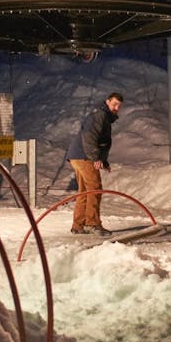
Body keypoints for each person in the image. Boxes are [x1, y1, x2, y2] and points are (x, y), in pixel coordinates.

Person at [66, 92, 123, 235]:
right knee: (95, 188)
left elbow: (100, 141)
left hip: (78, 156)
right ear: (107, 102)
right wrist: (96, 158)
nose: (116, 107)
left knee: (85, 191)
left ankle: (78, 225)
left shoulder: (102, 116)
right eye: (114, 104)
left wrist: (103, 161)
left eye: (119, 106)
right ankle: (92, 223)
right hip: (84, 156)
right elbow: (89, 137)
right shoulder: (100, 115)